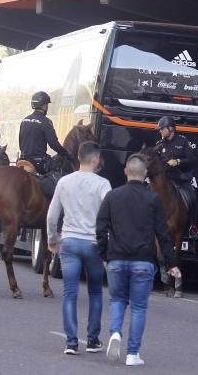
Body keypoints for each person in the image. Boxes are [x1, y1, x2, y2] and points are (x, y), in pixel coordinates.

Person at [97, 152, 180, 366]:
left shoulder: (112, 196)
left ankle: (115, 333)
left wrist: (104, 255)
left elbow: (101, 228)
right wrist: (172, 264)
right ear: (145, 174)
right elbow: (163, 234)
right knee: (139, 307)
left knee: (117, 300)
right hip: (144, 260)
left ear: (125, 171)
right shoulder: (153, 199)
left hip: (116, 258)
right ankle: (133, 353)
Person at [46, 141, 111, 355]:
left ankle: (71, 342)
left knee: (69, 293)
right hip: (93, 243)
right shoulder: (103, 184)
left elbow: (52, 215)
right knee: (94, 291)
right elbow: (109, 215)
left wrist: (52, 238)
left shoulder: (64, 182)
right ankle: (92, 340)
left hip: (70, 241)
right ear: (95, 159)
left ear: (78, 158)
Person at [19, 91, 70, 176]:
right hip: (39, 163)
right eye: (47, 104)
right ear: (44, 105)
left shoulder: (24, 121)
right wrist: (65, 153)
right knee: (60, 171)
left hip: (23, 160)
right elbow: (54, 144)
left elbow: (21, 144)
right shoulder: (46, 122)